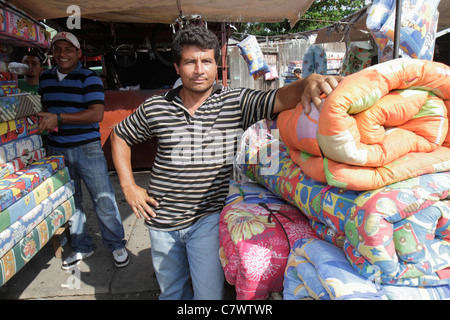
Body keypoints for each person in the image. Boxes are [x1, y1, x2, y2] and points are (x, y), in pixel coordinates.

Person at [110, 25, 342, 300]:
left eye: (206, 61)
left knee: (208, 297)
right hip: (160, 219)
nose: (199, 69)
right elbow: (119, 135)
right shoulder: (156, 107)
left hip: (206, 218)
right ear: (176, 67)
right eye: (189, 61)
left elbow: (280, 98)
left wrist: (308, 82)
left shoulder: (235, 102)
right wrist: (128, 186)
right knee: (172, 293)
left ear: (216, 67)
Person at [36, 32, 129, 270]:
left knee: (104, 199)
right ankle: (81, 246)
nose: (63, 54)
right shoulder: (45, 78)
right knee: (70, 201)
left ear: (78, 53)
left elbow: (96, 114)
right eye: (58, 49)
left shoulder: (88, 77)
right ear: (52, 53)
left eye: (69, 49)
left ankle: (116, 244)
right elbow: (46, 107)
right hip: (56, 150)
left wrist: (58, 118)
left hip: (87, 148)